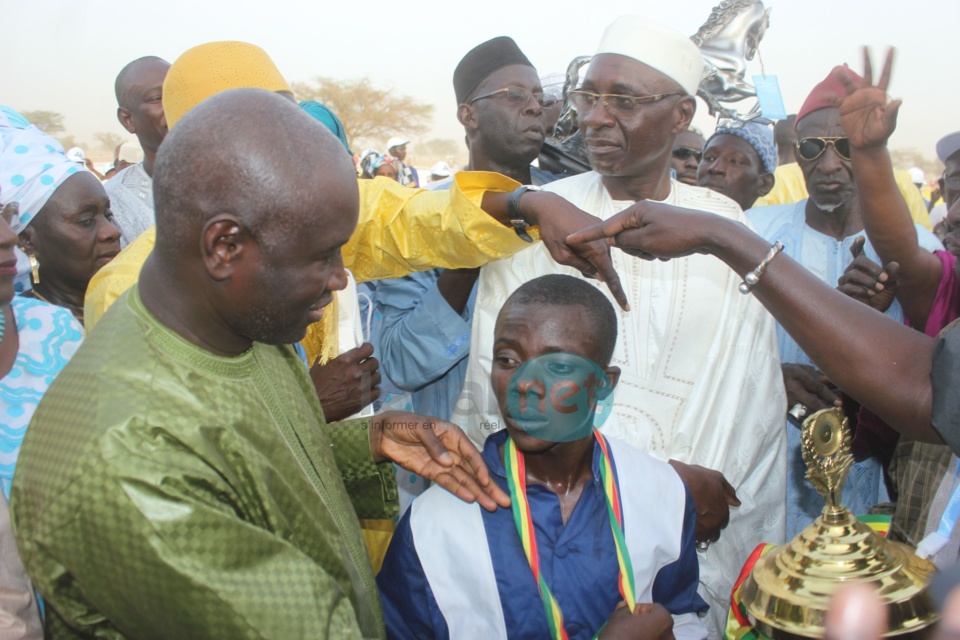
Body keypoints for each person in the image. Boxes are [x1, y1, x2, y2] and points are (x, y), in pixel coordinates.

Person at [10, 88, 515, 640]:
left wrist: (366, 440)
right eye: (322, 257)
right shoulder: (126, 460)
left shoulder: (243, 323)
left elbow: (253, 456)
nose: (340, 279)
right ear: (224, 246)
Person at [453, 17, 786, 637]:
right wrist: (651, 485)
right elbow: (495, 384)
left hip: (691, 532)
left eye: (624, 100)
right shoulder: (541, 216)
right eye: (588, 96)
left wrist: (677, 502)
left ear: (682, 112)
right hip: (555, 525)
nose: (595, 117)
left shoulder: (723, 224)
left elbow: (746, 396)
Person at [378, 275, 707, 640]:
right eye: (508, 359)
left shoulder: (661, 494)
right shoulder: (434, 524)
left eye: (558, 367)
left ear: (602, 384)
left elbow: (680, 614)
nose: (524, 384)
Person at [746, 65, 942, 538]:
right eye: (812, 149)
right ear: (798, 155)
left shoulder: (916, 249)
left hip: (873, 466)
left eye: (846, 148)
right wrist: (768, 376)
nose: (828, 165)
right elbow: (715, 344)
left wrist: (888, 317)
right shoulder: (754, 232)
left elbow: (937, 368)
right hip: (767, 450)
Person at [376, 36, 558, 423]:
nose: (533, 107)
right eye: (514, 94)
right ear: (467, 115)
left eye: (539, 97)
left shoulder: (569, 205)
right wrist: (470, 240)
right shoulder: (421, 218)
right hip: (457, 461)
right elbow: (400, 364)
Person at [1, 108, 121, 325]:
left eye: (108, 215)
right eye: (86, 221)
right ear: (27, 240)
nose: (112, 232)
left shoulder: (144, 309)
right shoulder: (21, 336)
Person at [104, 56, 170, 247]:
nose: (173, 105)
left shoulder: (230, 180)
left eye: (177, 94)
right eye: (157, 98)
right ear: (127, 119)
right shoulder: (112, 203)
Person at [697, 120, 776, 211]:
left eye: (735, 161)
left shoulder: (762, 225)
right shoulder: (677, 219)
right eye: (709, 158)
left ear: (764, 184)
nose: (715, 168)